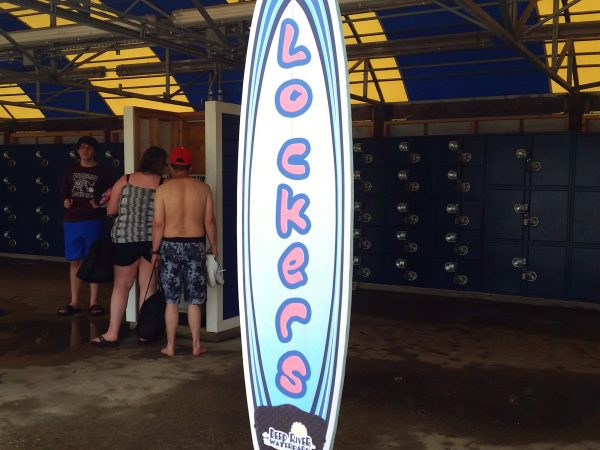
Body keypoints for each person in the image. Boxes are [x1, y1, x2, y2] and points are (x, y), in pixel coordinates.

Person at [91, 146, 168, 347]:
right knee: (148, 286)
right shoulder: (162, 184)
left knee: (121, 286)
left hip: (124, 239)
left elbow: (111, 209)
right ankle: (146, 332)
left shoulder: (125, 180)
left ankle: (112, 332)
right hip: (151, 242)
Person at [151, 146, 218, 357]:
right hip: (195, 245)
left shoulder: (163, 189)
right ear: (190, 166)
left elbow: (159, 223)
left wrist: (154, 251)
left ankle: (170, 346)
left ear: (171, 166)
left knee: (171, 299)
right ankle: (196, 345)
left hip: (169, 245)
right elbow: (209, 220)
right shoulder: (203, 188)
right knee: (195, 299)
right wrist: (213, 244)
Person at [58, 136, 114, 316]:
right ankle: (74, 301)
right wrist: (65, 200)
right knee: (75, 261)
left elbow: (111, 194)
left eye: (89, 148)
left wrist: (101, 205)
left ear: (95, 151)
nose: (85, 151)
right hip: (72, 219)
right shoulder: (70, 170)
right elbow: (64, 191)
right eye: (82, 147)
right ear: (77, 150)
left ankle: (94, 302)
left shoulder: (103, 172)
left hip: (93, 220)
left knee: (93, 260)